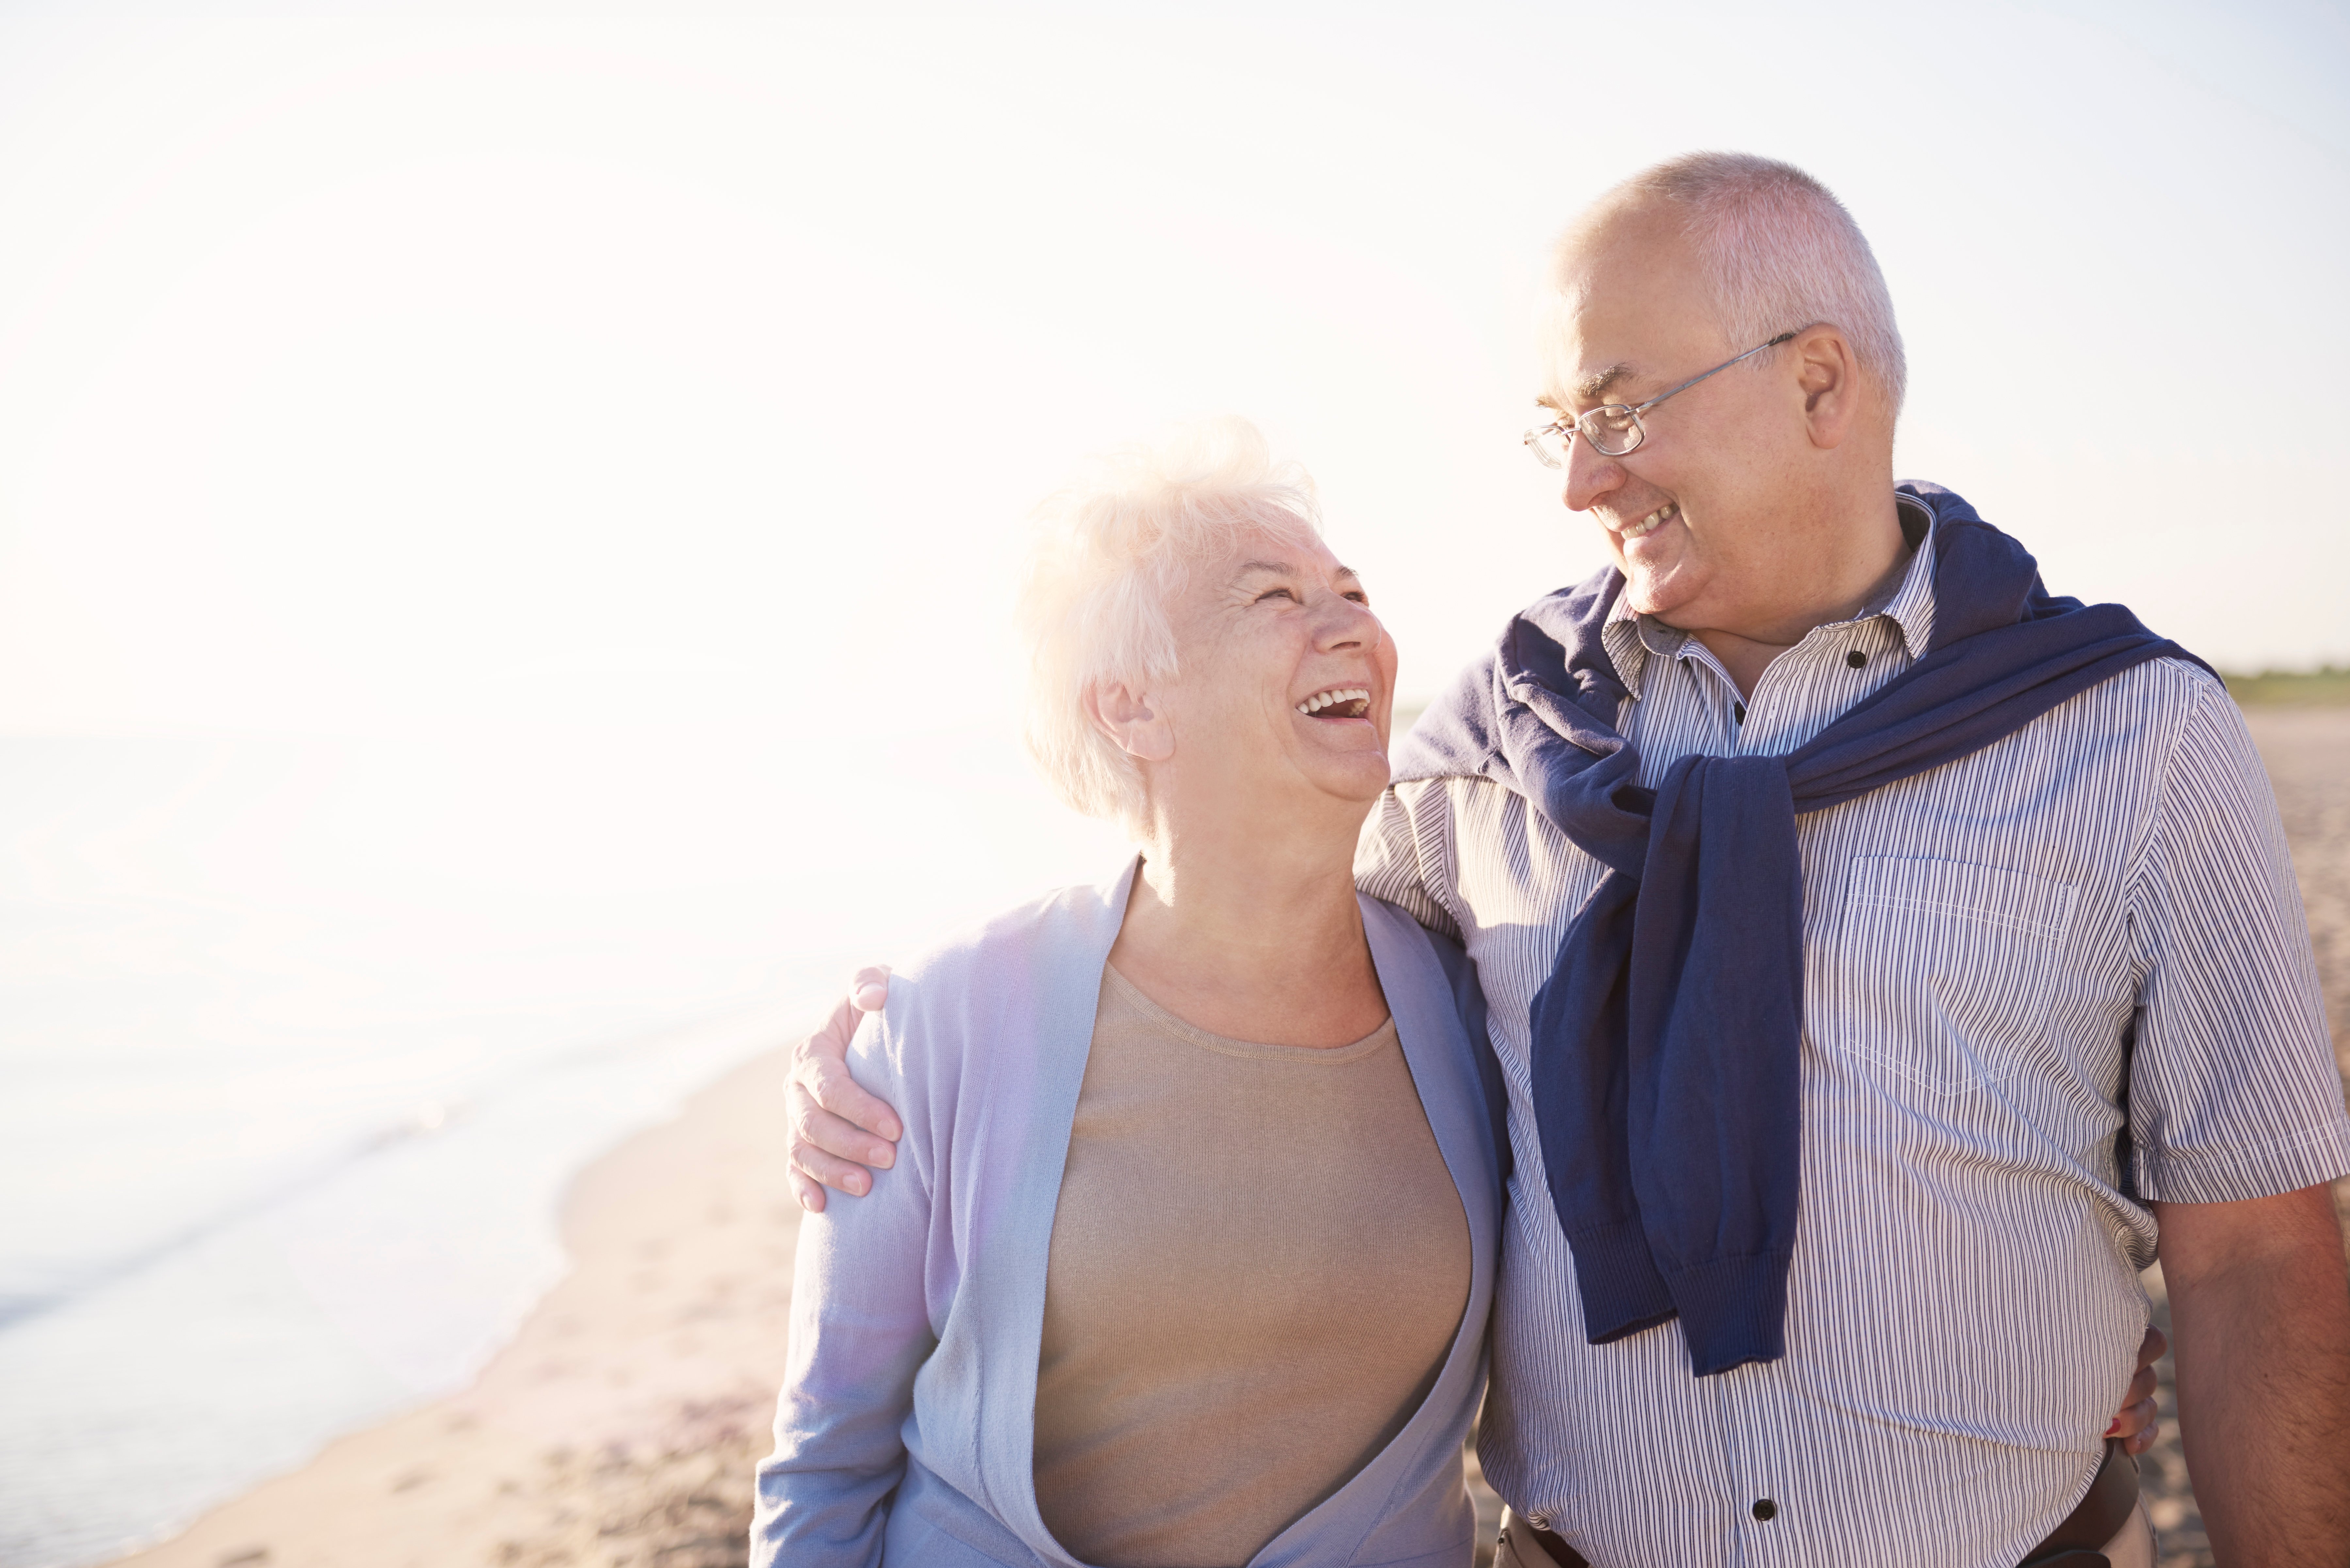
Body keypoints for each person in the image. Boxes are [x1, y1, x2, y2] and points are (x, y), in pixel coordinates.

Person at [786, 153, 2344, 1568]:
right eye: (1558, 430)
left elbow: (2259, 1248)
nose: (1578, 482)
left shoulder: (2130, 736)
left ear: (1819, 385)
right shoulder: (1474, 756)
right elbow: (1219, 913)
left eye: (1614, 409)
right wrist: (894, 1050)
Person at [753, 423, 1510, 1568]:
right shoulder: (936, 1024)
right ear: (1131, 710)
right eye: (1275, 599)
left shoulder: (1478, 995)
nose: (1350, 622)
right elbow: (826, 1464)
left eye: (1350, 590)